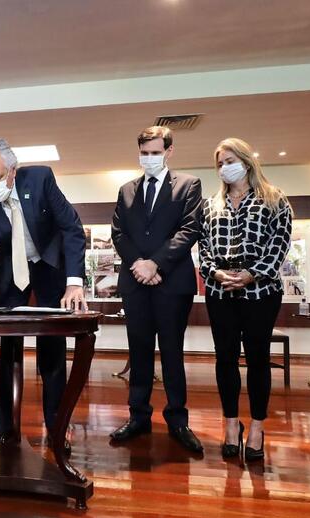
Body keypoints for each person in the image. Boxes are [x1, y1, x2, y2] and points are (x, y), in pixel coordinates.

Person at [0, 137, 86, 453]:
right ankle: (6, 431)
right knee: (9, 349)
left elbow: (71, 228)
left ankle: (56, 428)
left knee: (52, 348)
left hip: (49, 265)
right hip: (11, 271)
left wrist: (74, 282)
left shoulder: (40, 179)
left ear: (13, 170)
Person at [110, 126, 204, 453]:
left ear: (169, 151)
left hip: (172, 282)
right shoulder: (126, 190)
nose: (149, 158)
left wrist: (156, 264)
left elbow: (189, 229)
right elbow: (119, 233)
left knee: (172, 351)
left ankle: (178, 419)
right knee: (138, 350)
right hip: (135, 282)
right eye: (144, 153)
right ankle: (138, 416)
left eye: (155, 152)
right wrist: (139, 264)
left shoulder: (189, 185)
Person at [198, 137, 292, 461]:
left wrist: (253, 273)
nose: (225, 168)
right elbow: (204, 249)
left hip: (261, 292)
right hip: (220, 291)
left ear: (246, 161)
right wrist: (214, 273)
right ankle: (230, 424)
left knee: (257, 358)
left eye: (230, 161)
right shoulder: (210, 205)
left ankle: (257, 427)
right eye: (220, 163)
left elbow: (279, 245)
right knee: (225, 358)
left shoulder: (275, 199)